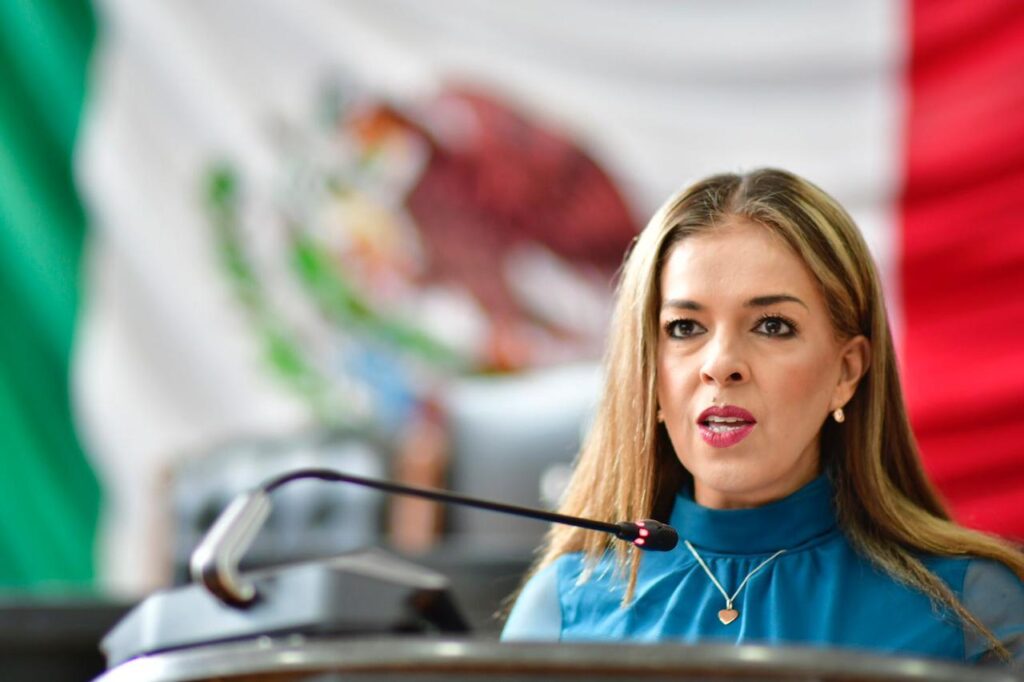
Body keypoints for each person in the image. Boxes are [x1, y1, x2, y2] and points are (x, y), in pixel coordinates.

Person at [500, 168, 1024, 666]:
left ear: (846, 371)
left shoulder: (974, 611)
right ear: (649, 374)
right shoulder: (559, 609)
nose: (721, 364)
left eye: (772, 325)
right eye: (685, 327)